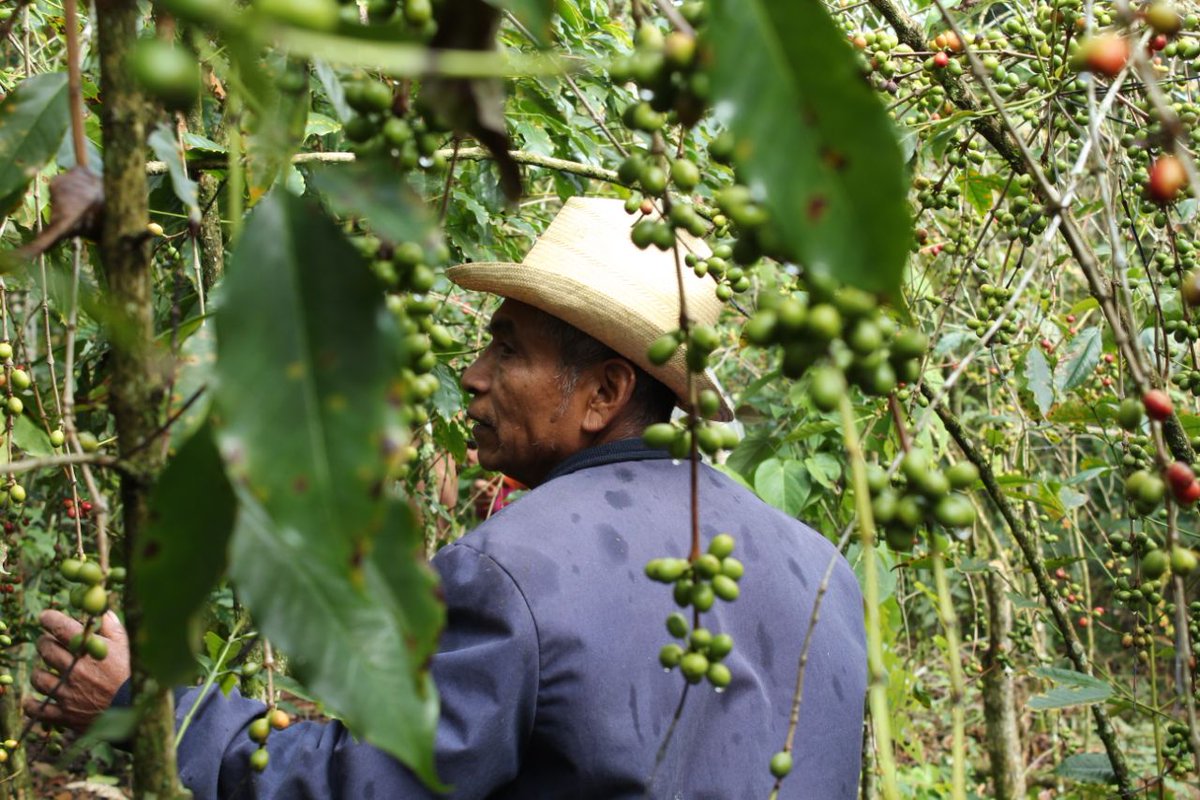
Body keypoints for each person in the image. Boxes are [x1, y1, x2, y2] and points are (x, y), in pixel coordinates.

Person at [26, 197, 867, 798]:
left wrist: (157, 708)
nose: (472, 376)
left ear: (605, 393)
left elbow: (362, 788)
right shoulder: (823, 572)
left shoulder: (515, 571)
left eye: (507, 349)